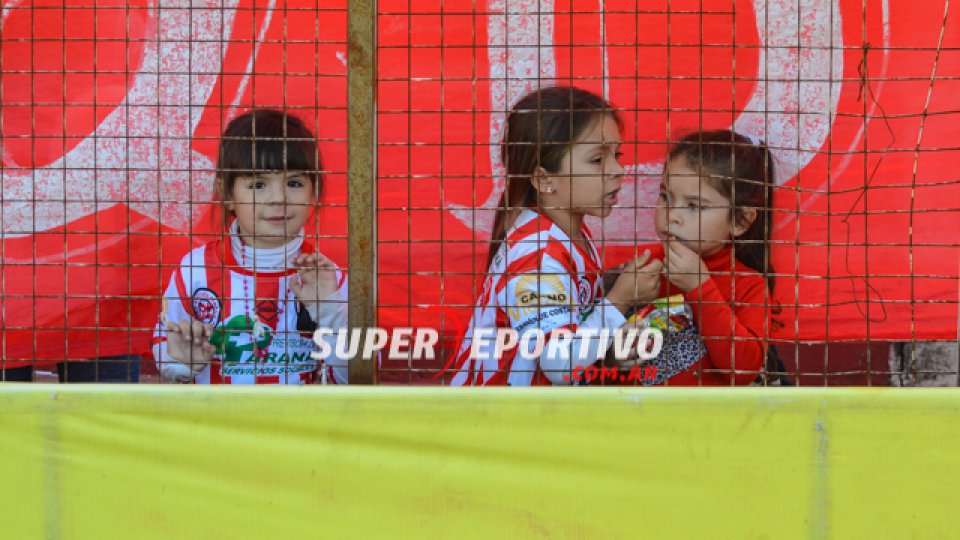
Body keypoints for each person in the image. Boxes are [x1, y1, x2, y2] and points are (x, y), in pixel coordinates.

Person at [447, 86, 658, 386]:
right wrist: (619, 300)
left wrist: (607, 285)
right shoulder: (538, 256)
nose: (618, 170)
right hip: (501, 422)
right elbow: (560, 362)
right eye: (598, 160)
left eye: (617, 154)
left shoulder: (566, 230)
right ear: (544, 179)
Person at [151, 109, 348, 384]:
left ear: (313, 190)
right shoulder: (194, 269)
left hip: (303, 426)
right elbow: (164, 343)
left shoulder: (331, 278)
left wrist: (329, 309)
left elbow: (359, 376)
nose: (278, 198)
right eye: (258, 184)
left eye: (293, 183)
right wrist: (183, 363)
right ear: (227, 194)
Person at [612, 129, 779, 385]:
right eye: (666, 197)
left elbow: (744, 371)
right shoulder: (643, 269)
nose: (672, 215)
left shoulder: (748, 286)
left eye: (694, 206)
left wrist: (700, 288)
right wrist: (615, 357)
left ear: (741, 221)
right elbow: (603, 360)